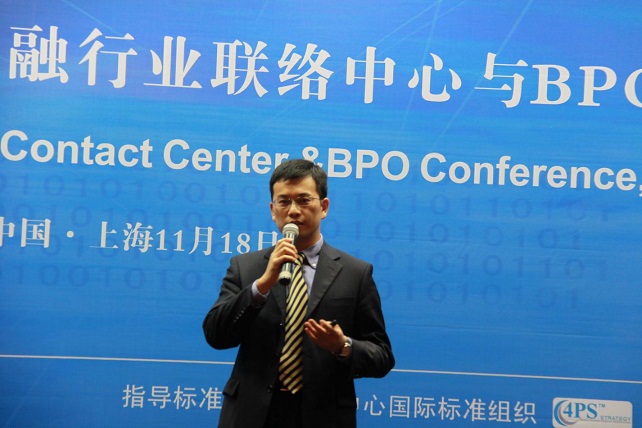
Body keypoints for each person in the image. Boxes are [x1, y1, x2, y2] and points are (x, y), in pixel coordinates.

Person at [203, 159, 394, 428]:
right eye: (283, 202)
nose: (293, 211)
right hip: (252, 414)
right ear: (273, 210)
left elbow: (382, 356)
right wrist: (261, 286)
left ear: (324, 207)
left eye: (304, 201)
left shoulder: (355, 273)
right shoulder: (245, 267)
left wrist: (343, 346)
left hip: (323, 416)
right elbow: (216, 335)